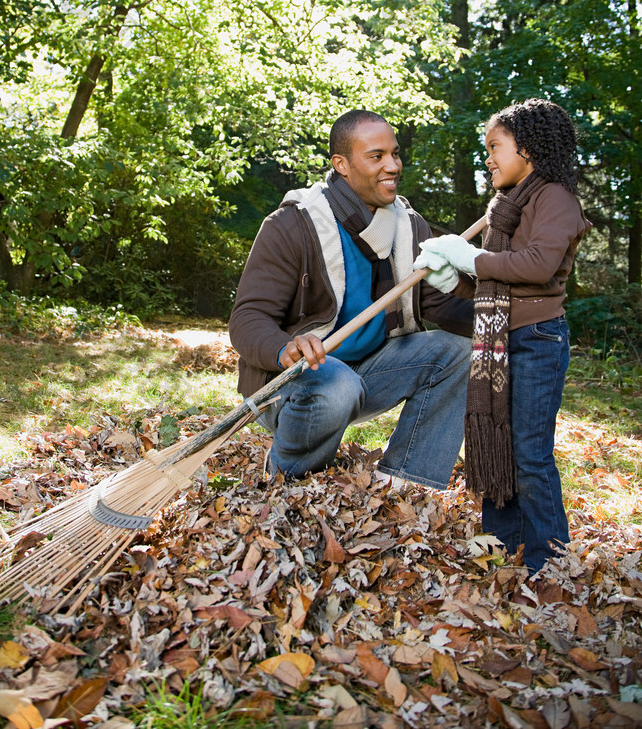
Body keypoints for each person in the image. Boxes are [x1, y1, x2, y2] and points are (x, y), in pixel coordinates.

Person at [228, 109, 475, 489]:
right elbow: (248, 318)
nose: (392, 165)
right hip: (293, 382)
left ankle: (407, 482)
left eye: (395, 154)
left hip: (369, 372)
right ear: (341, 164)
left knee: (458, 353)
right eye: (376, 157)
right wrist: (285, 348)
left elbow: (438, 305)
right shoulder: (293, 224)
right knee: (336, 383)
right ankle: (289, 481)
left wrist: (504, 307)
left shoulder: (410, 226)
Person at [414, 98, 591, 573]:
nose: (488, 158)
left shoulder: (554, 197)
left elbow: (537, 266)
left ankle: (548, 561)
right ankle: (498, 545)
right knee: (498, 443)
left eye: (496, 147)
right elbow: (496, 281)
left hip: (537, 339)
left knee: (530, 453)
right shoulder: (508, 206)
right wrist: (452, 277)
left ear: (528, 150)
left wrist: (467, 255)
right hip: (500, 339)